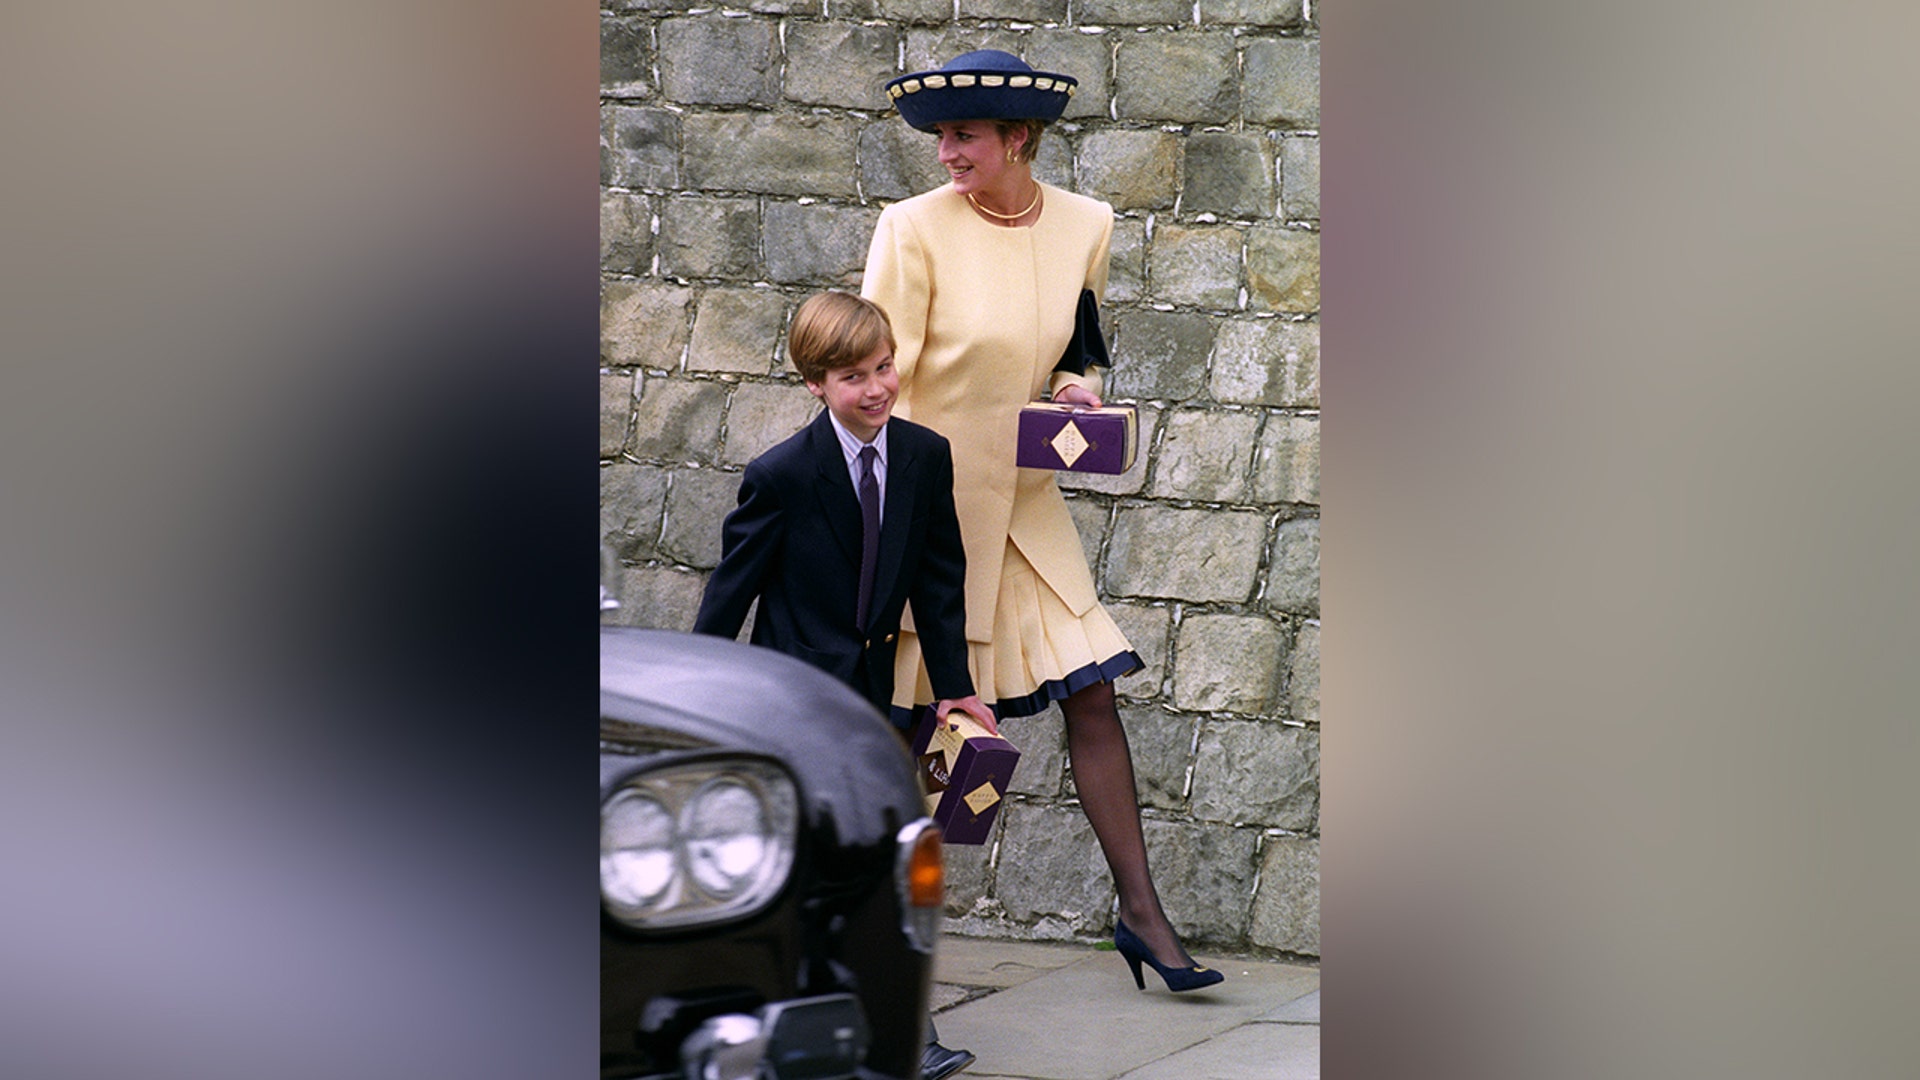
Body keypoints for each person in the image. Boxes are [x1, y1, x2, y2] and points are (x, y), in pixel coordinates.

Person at [862, 50, 1224, 993]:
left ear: (1017, 138)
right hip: (929, 521)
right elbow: (877, 385)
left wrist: (1076, 387)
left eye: (964, 135)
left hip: (1027, 509)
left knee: (1093, 694)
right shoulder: (909, 231)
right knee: (918, 737)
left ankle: (1140, 916)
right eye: (941, 135)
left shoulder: (1085, 225)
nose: (945, 152)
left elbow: (1083, 344)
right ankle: (888, 968)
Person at [691, 289, 994, 1080]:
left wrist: (956, 687)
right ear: (815, 385)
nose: (876, 388)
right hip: (789, 699)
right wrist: (701, 694)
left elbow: (938, 581)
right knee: (798, 859)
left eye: (884, 367)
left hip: (872, 699)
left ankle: (904, 1034)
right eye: (854, 376)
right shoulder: (783, 474)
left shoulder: (925, 457)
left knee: (883, 853)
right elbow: (732, 591)